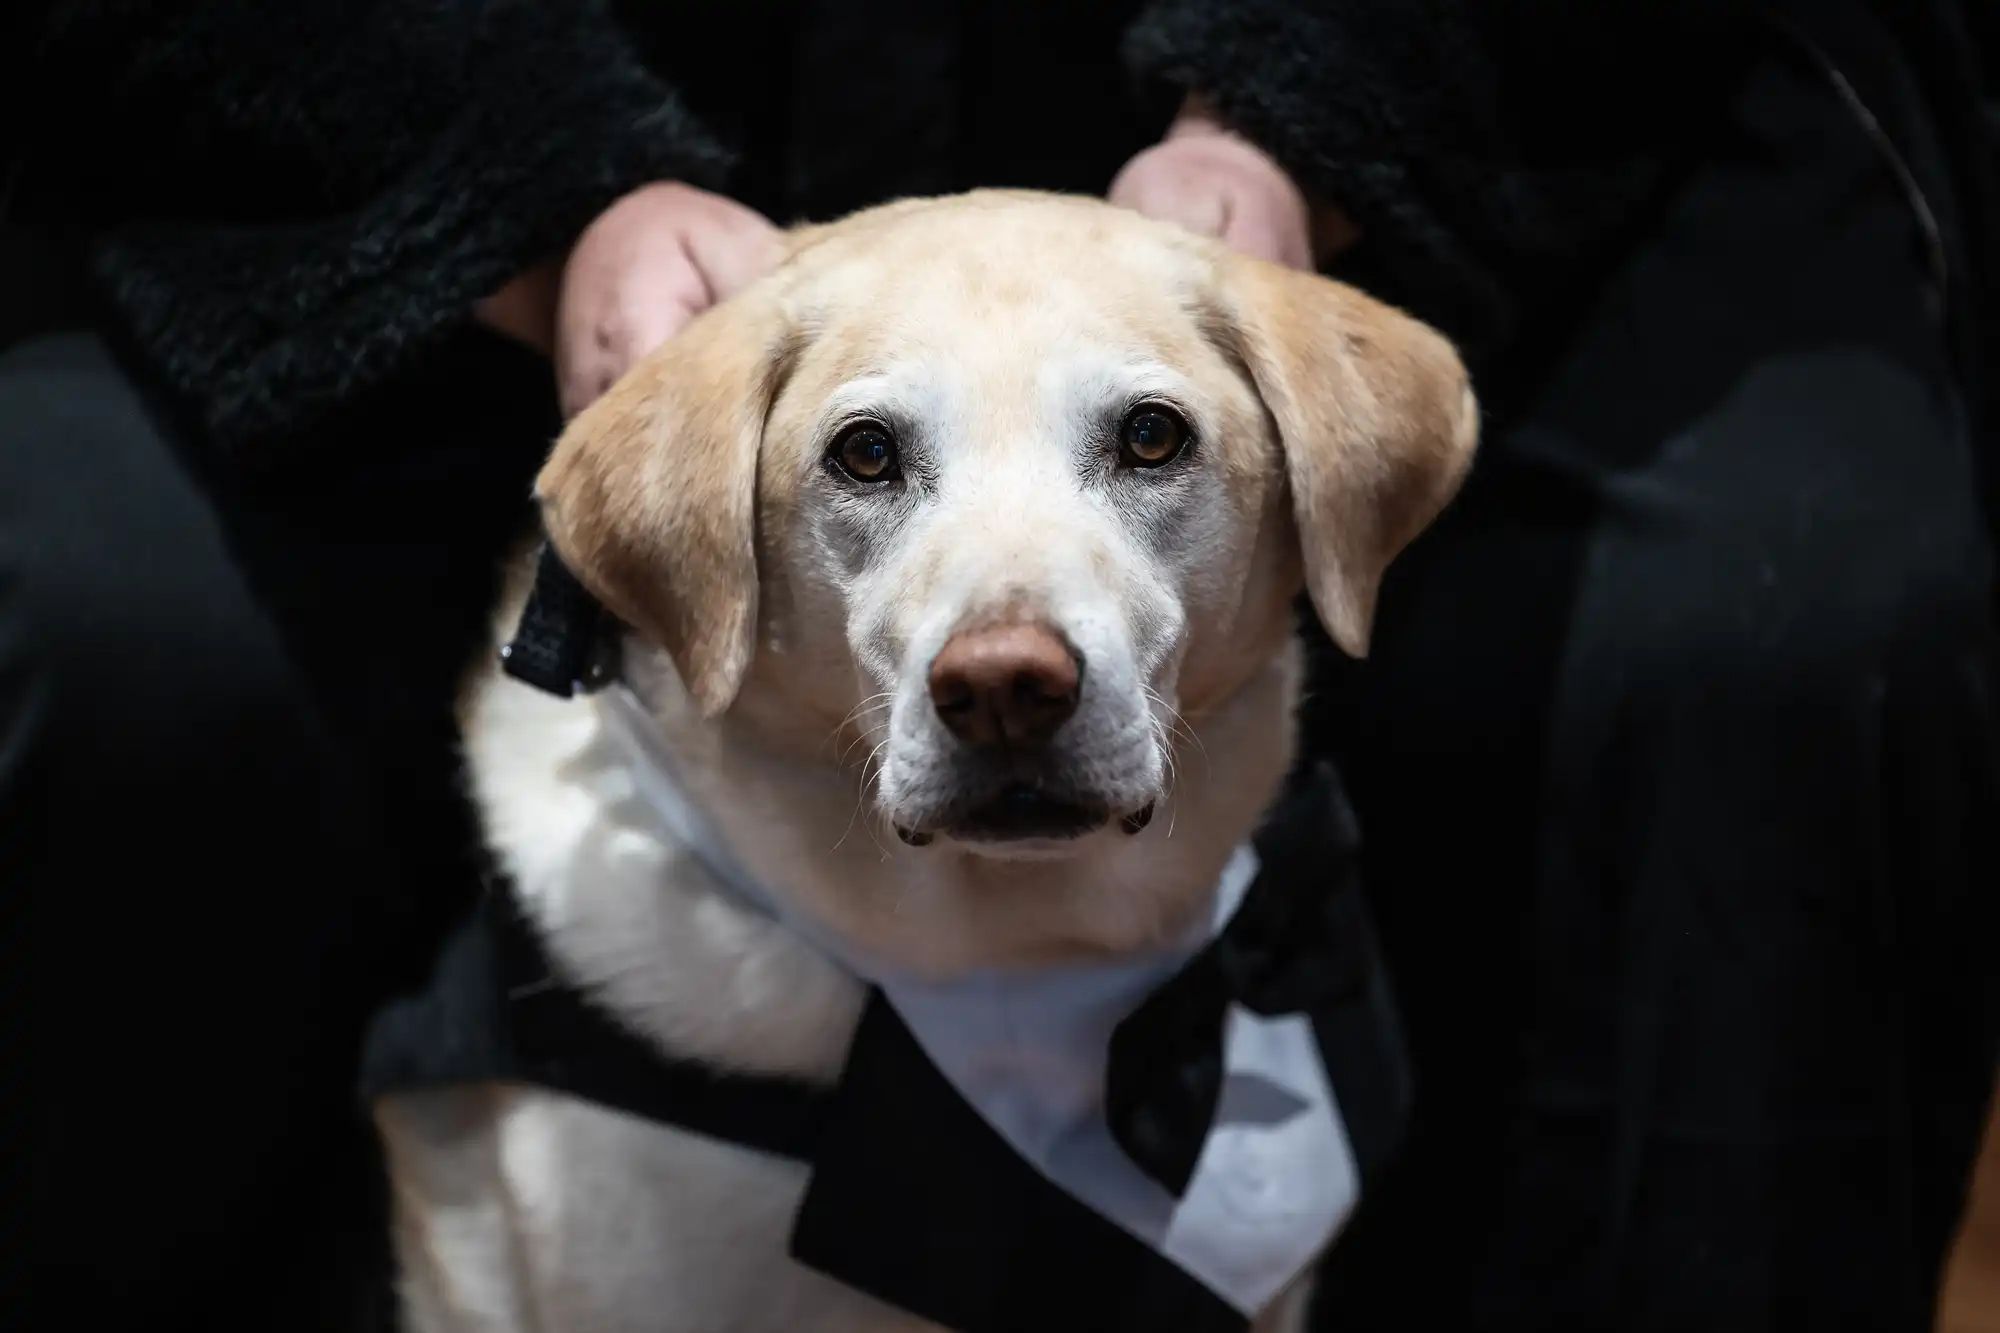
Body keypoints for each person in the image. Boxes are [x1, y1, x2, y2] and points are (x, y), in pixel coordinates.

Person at [2, 2, 1993, 1330]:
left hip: (1442, 88)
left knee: (1793, 627)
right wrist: (532, 201)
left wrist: (1301, 123)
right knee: (86, 619)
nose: (1008, 661)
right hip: (453, 107)